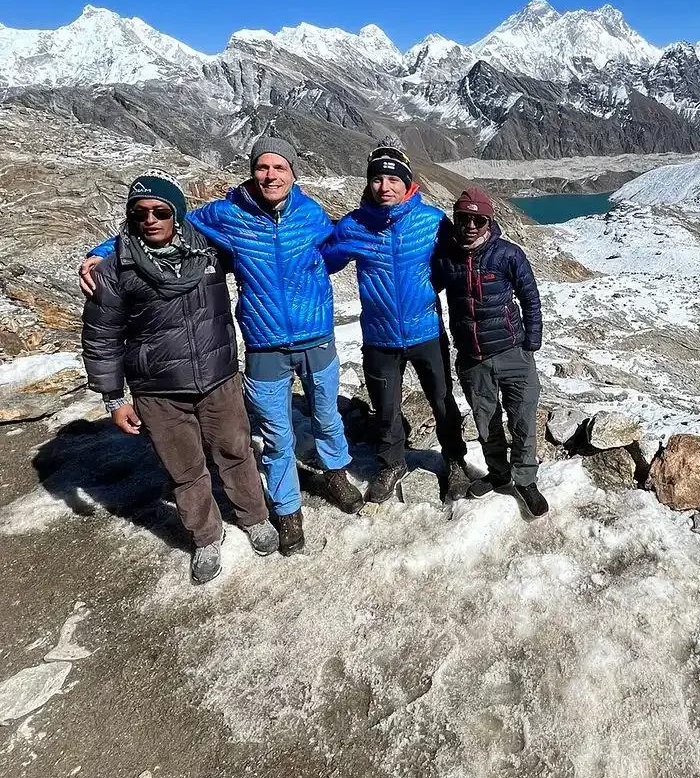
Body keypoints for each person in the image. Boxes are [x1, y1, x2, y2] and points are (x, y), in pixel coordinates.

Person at [80, 137, 362, 552]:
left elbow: (338, 244)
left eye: (279, 167)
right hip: (265, 344)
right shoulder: (227, 214)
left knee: (326, 416)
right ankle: (287, 509)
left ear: (293, 173)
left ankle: (335, 471)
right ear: (253, 171)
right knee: (276, 432)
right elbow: (166, 221)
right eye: (262, 167)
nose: (270, 175)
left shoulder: (311, 213)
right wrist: (100, 253)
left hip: (317, 337)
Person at [81, 173, 279, 584]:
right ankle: (205, 536)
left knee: (236, 451)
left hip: (218, 377)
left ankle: (254, 516)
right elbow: (101, 335)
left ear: (178, 213)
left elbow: (250, 226)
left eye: (160, 211)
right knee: (184, 468)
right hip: (157, 390)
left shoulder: (209, 249)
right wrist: (114, 399)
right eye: (139, 214)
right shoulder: (117, 267)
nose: (150, 220)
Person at [321, 142, 469, 503]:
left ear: (407, 183)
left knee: (442, 400)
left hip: (426, 332)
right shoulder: (354, 226)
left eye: (392, 178)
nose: (384, 187)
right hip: (379, 335)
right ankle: (392, 463)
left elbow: (457, 261)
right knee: (385, 408)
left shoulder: (430, 221)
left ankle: (454, 461)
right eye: (377, 179)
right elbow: (322, 261)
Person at [432, 187, 548, 517]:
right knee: (486, 423)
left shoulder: (508, 254)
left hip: (513, 353)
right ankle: (498, 473)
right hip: (472, 358)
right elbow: (425, 288)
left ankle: (525, 479)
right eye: (464, 218)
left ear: (489, 221)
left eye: (478, 219)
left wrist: (531, 341)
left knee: (523, 420)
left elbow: (530, 298)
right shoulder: (445, 258)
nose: (470, 225)